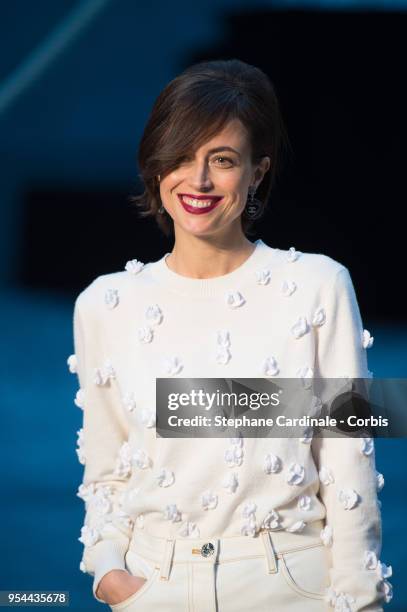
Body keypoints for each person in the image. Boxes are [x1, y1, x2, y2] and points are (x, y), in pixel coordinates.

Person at [69, 59, 392, 611]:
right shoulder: (106, 303)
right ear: (155, 167)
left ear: (257, 171)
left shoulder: (318, 286)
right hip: (153, 586)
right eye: (179, 158)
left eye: (221, 160)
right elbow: (105, 471)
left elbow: (348, 459)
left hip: (289, 587)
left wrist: (360, 602)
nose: (197, 181)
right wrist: (109, 574)